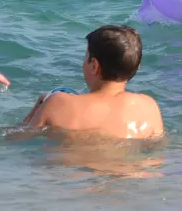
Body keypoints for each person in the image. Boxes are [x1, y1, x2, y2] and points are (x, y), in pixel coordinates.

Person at [21, 25, 163, 139]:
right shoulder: (148, 107)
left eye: (85, 57)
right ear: (137, 67)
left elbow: (18, 139)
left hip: (76, 173)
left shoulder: (58, 102)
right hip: (130, 172)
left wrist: (37, 110)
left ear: (94, 66)